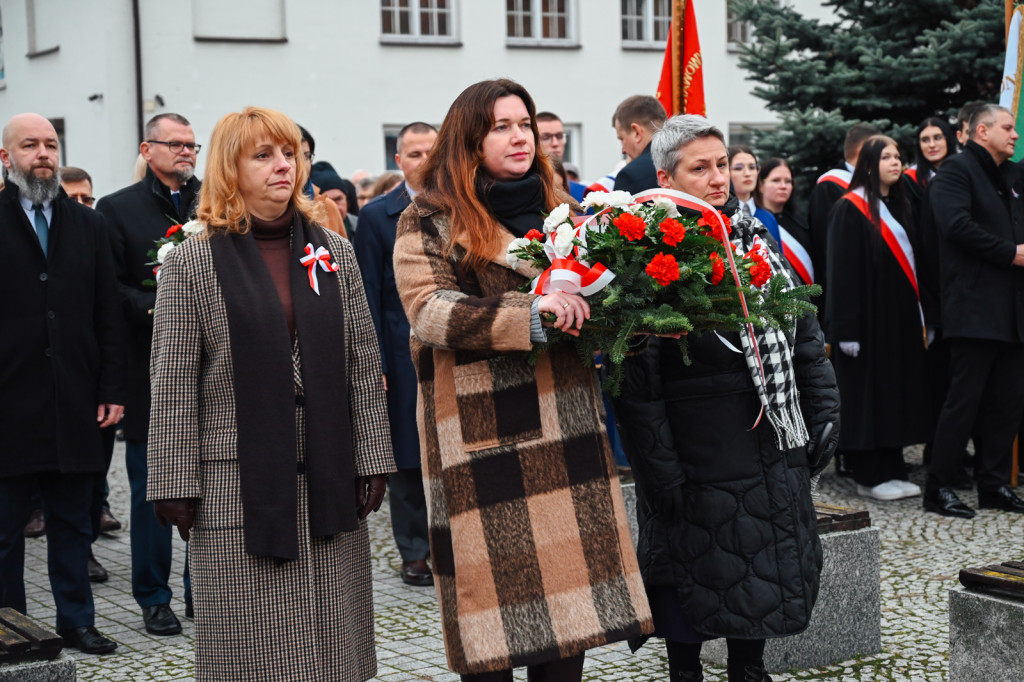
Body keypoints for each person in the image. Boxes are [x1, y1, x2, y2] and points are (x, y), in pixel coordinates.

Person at [393, 78, 652, 681]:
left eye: (524, 124)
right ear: (469, 138)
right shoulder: (428, 217)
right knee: (493, 626)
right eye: (501, 126)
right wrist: (528, 316)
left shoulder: (564, 207)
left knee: (569, 626)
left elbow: (601, 294)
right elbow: (428, 311)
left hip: (568, 422)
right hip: (482, 438)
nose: (519, 137)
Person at [147, 106, 396, 681]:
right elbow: (174, 381)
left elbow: (362, 361)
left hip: (329, 475)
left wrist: (373, 457)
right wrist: (173, 481)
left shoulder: (333, 252)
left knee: (332, 647)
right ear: (229, 168)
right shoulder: (193, 261)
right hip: (237, 484)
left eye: (289, 153)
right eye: (263, 155)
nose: (283, 165)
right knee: (252, 649)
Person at [613, 114, 839, 682]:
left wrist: (823, 407)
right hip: (697, 451)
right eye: (701, 168)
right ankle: (684, 672)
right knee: (691, 572)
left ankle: (749, 668)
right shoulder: (643, 249)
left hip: (768, 437)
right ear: (667, 177)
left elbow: (802, 330)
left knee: (763, 566)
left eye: (724, 165)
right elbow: (637, 381)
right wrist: (657, 463)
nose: (720, 179)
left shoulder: (754, 234)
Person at [0, 113, 126, 655]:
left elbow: (109, 315)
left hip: (76, 401)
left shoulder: (89, 226)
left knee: (74, 523)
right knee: (4, 533)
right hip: (8, 402)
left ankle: (77, 621)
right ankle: (10, 626)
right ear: (7, 158)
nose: (43, 154)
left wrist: (112, 387)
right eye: (30, 145)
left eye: (50, 144)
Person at [96, 112, 200, 636]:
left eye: (192, 145)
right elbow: (106, 289)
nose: (186, 152)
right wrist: (159, 307)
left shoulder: (216, 204)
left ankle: (201, 588)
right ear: (147, 149)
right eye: (175, 144)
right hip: (148, 375)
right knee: (151, 490)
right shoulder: (116, 210)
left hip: (214, 374)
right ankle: (153, 595)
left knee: (214, 486)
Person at [923, 104, 1024, 518]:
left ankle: (994, 485)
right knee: (963, 402)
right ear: (982, 131)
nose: (1014, 135)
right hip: (975, 309)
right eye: (1007, 127)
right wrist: (1010, 254)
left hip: (1014, 313)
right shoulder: (956, 171)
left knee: (1008, 402)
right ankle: (940, 487)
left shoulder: (1013, 176)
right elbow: (955, 225)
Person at [352, 121, 438, 587]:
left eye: (431, 151)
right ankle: (414, 551)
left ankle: (450, 543)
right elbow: (366, 292)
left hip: (449, 345)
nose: (423, 160)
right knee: (407, 455)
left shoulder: (458, 205)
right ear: (399, 160)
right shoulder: (378, 215)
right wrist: (376, 364)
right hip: (400, 351)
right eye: (414, 153)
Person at [825, 135, 932, 501]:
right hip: (865, 324)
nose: (895, 162)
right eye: (886, 156)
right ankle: (868, 475)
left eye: (899, 156)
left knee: (893, 394)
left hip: (897, 321)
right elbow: (840, 271)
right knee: (868, 396)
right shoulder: (849, 208)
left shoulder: (901, 205)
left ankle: (893, 467)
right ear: (868, 164)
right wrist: (844, 328)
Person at [60, 166, 123, 584]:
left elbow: (109, 315)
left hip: (89, 381)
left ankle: (83, 552)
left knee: (89, 481)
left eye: (88, 197)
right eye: (74, 199)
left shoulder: (95, 234)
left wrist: (111, 388)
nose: (83, 205)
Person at [807, 123, 881, 297]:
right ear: (864, 150)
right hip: (845, 287)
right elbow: (826, 243)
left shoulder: (875, 184)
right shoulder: (830, 186)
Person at [756, 158, 815, 286]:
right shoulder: (754, 222)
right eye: (776, 180)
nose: (783, 186)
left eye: (788, 181)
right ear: (760, 185)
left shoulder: (802, 221)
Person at [611, 95, 668, 195]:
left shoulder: (631, 176)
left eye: (622, 139)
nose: (623, 150)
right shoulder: (690, 162)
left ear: (637, 132)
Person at [297, 125, 348, 238]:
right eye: (291, 155)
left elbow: (342, 254)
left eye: (306, 157)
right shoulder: (264, 208)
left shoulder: (328, 207)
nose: (301, 165)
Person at [905, 117, 957, 212]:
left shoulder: (963, 170)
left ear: (948, 140)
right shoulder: (909, 179)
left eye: (937, 138)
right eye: (925, 140)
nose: (932, 145)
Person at [536, 111, 586, 200]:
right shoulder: (527, 191)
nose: (555, 143)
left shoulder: (583, 193)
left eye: (559, 136)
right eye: (546, 138)